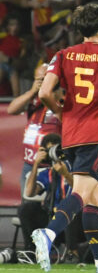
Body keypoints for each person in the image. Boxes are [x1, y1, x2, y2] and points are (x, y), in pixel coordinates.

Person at [32, 3, 98, 273]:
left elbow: (43, 93)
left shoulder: (63, 54)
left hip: (71, 133)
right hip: (95, 134)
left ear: (78, 29)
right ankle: (49, 234)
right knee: (81, 194)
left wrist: (61, 112)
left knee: (93, 199)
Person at [19, 133, 83, 261]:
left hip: (75, 223)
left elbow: (81, 191)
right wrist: (36, 164)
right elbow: (29, 193)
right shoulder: (48, 173)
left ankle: (72, 253)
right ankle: (32, 251)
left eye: (56, 150)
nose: (54, 154)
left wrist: (64, 173)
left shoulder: (75, 167)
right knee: (26, 208)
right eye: (49, 151)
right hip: (51, 220)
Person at [7, 64, 62, 192]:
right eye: (38, 79)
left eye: (45, 79)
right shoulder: (33, 98)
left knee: (52, 204)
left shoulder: (61, 98)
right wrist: (32, 92)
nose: (42, 83)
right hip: (30, 163)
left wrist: (49, 95)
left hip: (52, 164)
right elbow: (11, 109)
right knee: (28, 205)